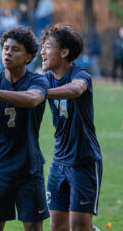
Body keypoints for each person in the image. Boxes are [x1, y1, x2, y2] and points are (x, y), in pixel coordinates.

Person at [0, 27, 49, 231]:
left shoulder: (37, 81)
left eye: (15, 49)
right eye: (5, 48)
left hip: (28, 168)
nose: (8, 53)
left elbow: (32, 99)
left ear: (29, 56)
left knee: (33, 228)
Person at [40, 24, 102, 231]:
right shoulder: (46, 79)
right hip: (59, 161)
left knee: (80, 227)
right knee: (56, 224)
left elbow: (76, 89)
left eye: (48, 47)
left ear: (64, 52)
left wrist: (44, 93)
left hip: (83, 160)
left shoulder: (80, 75)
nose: (42, 52)